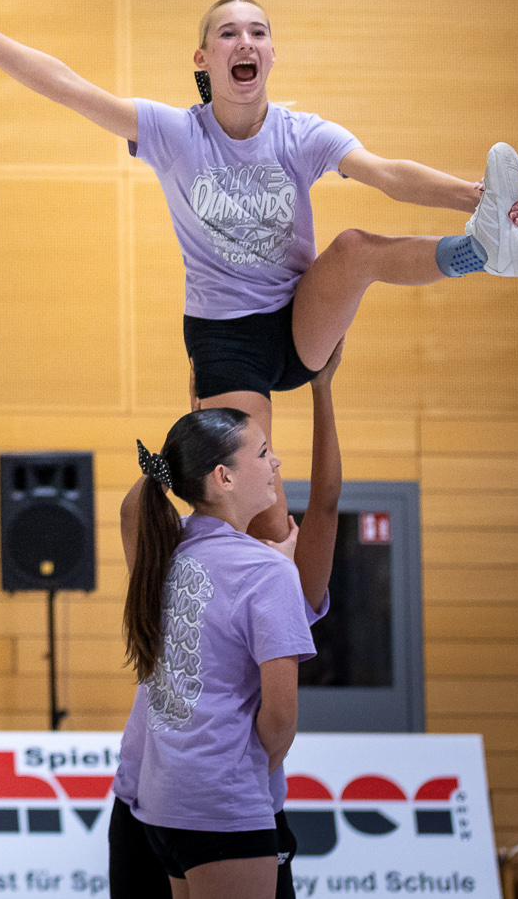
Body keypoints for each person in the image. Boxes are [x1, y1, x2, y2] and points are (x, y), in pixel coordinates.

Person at [0, 0, 518, 540]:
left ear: (271, 55)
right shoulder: (174, 133)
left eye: (258, 32)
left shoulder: (301, 133)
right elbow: (68, 87)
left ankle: (481, 248)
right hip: (225, 339)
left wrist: (482, 200)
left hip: (299, 319)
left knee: (353, 248)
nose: (246, 42)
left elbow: (386, 174)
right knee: (261, 518)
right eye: (229, 33)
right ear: (203, 59)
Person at [109, 342, 346, 898]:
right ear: (223, 477)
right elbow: (280, 717)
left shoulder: (168, 549)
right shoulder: (271, 573)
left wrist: (188, 439)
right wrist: (321, 387)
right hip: (219, 802)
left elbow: (134, 508)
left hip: (157, 799)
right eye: (264, 452)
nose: (276, 463)